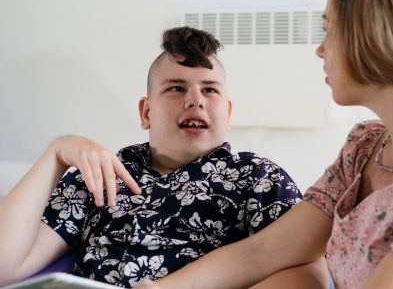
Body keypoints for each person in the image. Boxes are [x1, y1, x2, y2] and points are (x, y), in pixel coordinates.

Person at [136, 0, 393, 289]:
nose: (320, 49)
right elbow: (262, 253)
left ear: (372, 32)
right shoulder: (365, 146)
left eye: (330, 31)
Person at [0, 27, 330, 288]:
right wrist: (56, 153)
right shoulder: (99, 175)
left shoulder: (258, 177)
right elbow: (4, 267)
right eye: (176, 88)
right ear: (146, 112)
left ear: (227, 113)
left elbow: (307, 274)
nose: (195, 100)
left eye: (210, 89)